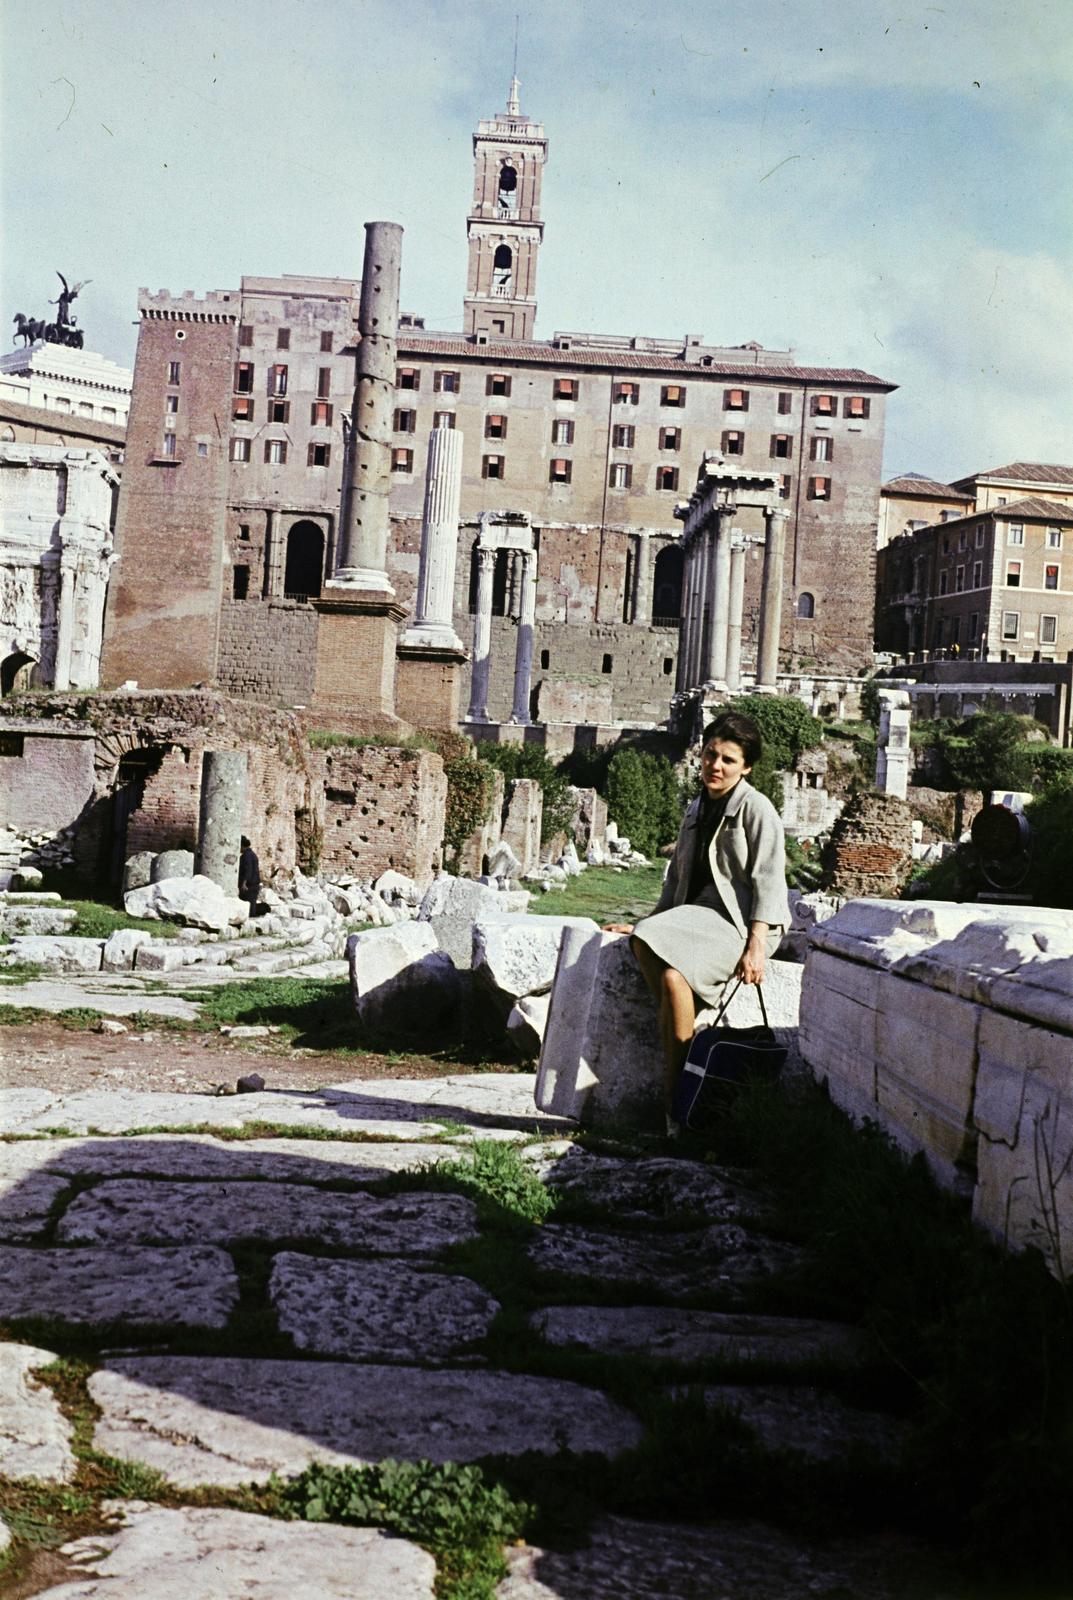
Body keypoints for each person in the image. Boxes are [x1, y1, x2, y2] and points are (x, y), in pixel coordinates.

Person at [604, 711, 789, 1135]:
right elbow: (676, 880)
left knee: (673, 977)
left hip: (746, 922)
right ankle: (683, 1060)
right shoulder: (696, 808)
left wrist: (757, 943)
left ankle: (675, 1105)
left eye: (727, 759)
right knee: (655, 958)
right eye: (710, 755)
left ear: (746, 767)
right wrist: (645, 924)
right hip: (699, 917)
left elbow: (770, 880)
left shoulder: (757, 809)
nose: (715, 766)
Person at [238, 836, 261, 913]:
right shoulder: (251, 854)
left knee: (247, 909)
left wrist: (244, 883)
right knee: (251, 907)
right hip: (253, 885)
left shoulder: (247, 856)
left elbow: (248, 870)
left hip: (249, 886)